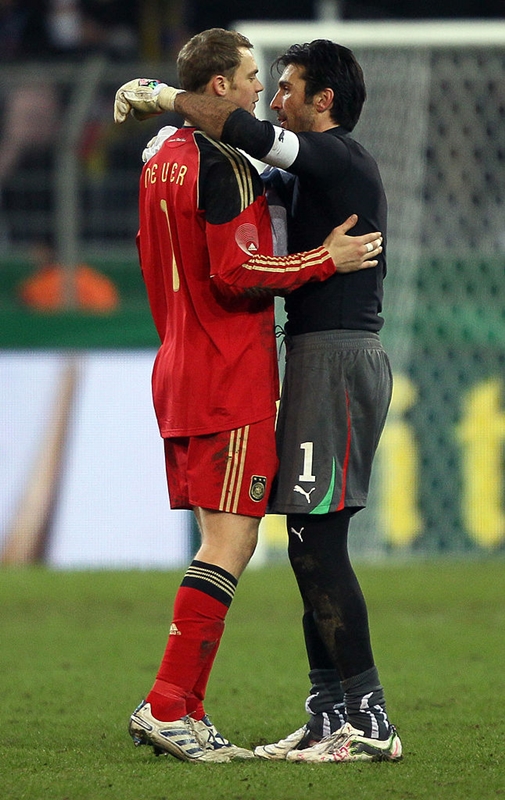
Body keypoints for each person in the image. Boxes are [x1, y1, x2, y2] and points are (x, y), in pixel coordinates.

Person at [114, 35, 402, 765]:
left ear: (322, 100)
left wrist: (161, 99)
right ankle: (324, 712)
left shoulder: (335, 158)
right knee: (300, 542)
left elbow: (241, 136)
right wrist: (321, 257)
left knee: (313, 541)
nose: (269, 97)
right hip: (273, 361)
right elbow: (239, 253)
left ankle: (365, 718)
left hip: (331, 358)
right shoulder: (256, 172)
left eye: (284, 86)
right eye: (256, 79)